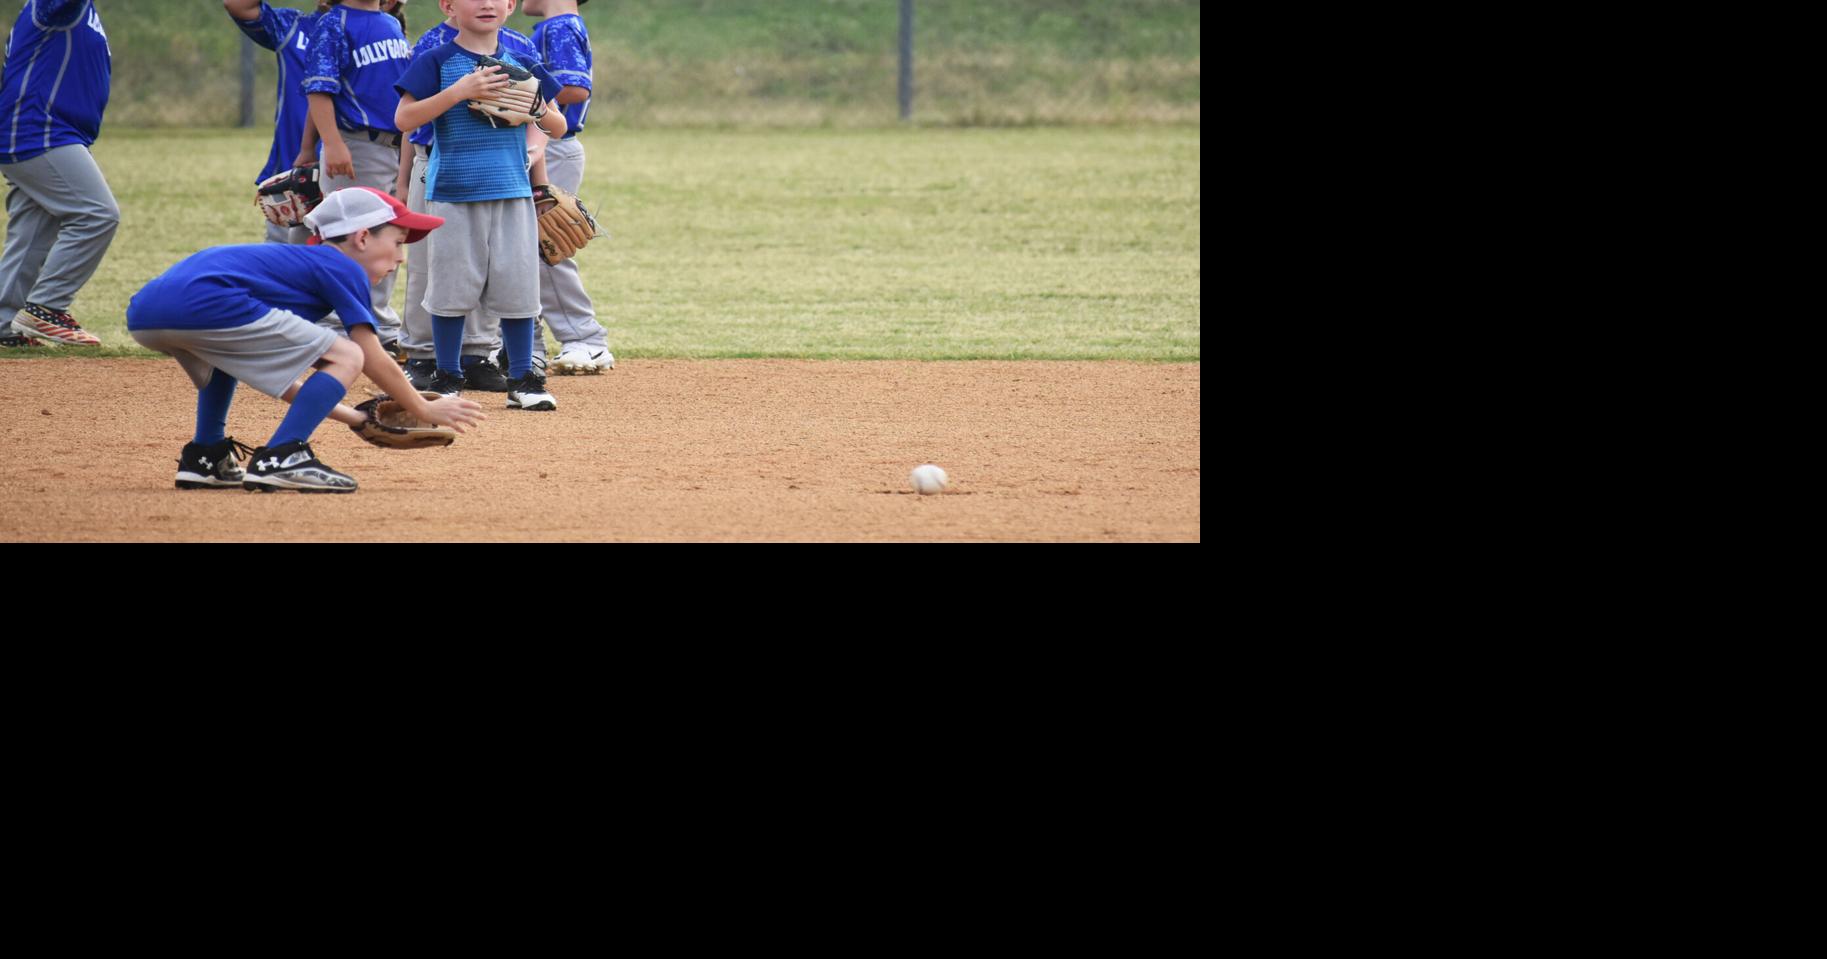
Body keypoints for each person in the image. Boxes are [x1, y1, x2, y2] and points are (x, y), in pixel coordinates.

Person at [127, 187, 484, 493]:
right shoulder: (340, 265)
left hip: (147, 313)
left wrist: (356, 419)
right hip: (209, 301)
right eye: (397, 241)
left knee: (228, 361)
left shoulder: (296, 270)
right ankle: (283, 455)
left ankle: (206, 457)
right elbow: (368, 355)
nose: (401, 257)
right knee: (347, 354)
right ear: (362, 238)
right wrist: (422, 408)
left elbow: (280, 382)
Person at [394, 0, 566, 411]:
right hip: (453, 191)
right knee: (451, 285)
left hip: (511, 191)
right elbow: (404, 119)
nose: (486, 3)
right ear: (448, 6)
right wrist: (459, 92)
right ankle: (448, 374)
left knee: (518, 284)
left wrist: (536, 107)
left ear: (510, 6)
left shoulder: (522, 61)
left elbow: (558, 126)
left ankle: (523, 377)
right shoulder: (437, 59)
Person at [0, 0, 117, 348]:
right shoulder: (55, 5)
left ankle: (4, 325)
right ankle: (47, 307)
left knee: (33, 229)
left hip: (45, 130)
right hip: (40, 130)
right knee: (97, 213)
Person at [302, 0, 413, 356]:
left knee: (387, 236)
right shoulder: (333, 23)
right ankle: (336, 327)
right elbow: (319, 90)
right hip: (356, 145)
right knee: (350, 237)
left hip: (394, 146)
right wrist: (331, 143)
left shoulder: (389, 22)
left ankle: (374, 321)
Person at [522, 0, 611, 375]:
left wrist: (517, 89)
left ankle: (585, 339)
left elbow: (575, 87)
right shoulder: (557, 26)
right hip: (548, 145)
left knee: (545, 246)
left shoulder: (558, 26)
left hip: (552, 146)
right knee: (527, 248)